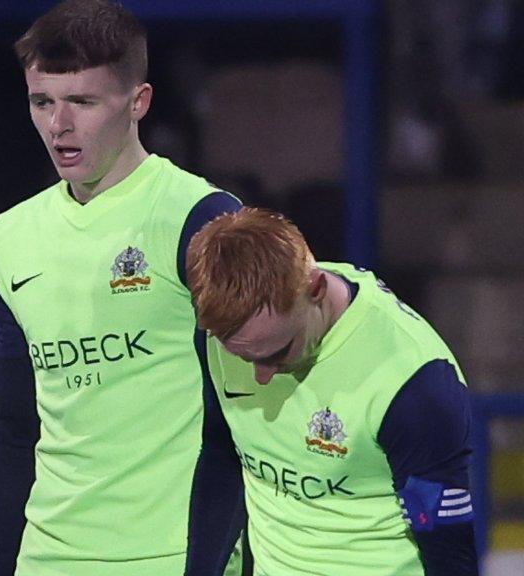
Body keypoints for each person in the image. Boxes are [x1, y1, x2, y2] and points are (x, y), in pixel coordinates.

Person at [0, 1, 245, 574]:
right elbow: (15, 429)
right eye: (42, 102)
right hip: (48, 557)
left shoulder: (201, 220)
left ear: (137, 103)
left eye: (82, 102)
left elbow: (244, 421)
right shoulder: (8, 237)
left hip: (172, 556)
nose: (59, 125)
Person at [185, 207, 478, 575]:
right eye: (243, 357)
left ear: (316, 289)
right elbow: (222, 455)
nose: (261, 377)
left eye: (278, 353)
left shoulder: (414, 384)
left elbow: (448, 552)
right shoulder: (220, 334)